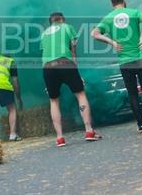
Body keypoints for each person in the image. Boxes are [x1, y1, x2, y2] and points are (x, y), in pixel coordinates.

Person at [91, 0, 142, 133]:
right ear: (123, 0)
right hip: (140, 57)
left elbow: (94, 33)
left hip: (124, 61)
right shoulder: (133, 12)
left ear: (111, 3)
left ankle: (140, 124)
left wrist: (112, 42)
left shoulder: (108, 18)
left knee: (132, 92)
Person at [41, 12, 100, 147]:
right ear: (62, 20)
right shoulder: (67, 27)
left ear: (51, 22)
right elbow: (73, 51)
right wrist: (77, 74)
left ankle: (60, 138)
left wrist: (47, 82)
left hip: (48, 68)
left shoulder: (44, 34)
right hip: (65, 63)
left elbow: (44, 55)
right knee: (80, 94)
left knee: (53, 101)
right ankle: (89, 131)